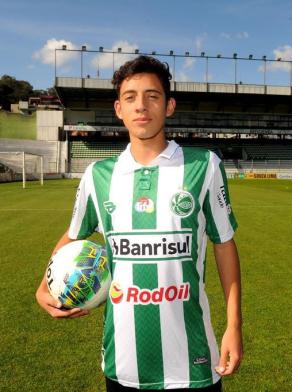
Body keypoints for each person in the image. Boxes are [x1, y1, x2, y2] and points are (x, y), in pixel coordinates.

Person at [36, 55, 242, 391]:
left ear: (169, 105)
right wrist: (43, 286)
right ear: (119, 109)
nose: (141, 106)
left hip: (193, 362)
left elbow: (224, 244)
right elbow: (73, 236)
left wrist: (234, 325)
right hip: (123, 364)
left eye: (153, 96)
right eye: (130, 97)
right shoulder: (97, 176)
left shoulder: (204, 166)